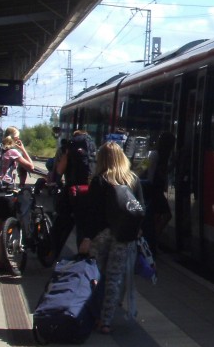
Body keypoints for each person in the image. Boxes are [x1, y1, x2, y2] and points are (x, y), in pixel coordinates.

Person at [77, 141, 145, 334]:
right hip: (123, 236)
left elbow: (91, 213)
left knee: (95, 277)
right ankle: (105, 321)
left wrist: (87, 237)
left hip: (102, 235)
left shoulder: (99, 180)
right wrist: (137, 230)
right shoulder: (133, 180)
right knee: (114, 278)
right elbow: (141, 208)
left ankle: (91, 314)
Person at [49, 128, 96, 263]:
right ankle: (83, 258)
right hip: (88, 191)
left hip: (72, 190)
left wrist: (57, 180)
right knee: (83, 226)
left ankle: (52, 253)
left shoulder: (70, 147)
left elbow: (60, 169)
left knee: (61, 223)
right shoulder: (92, 147)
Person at [141, 131, 174, 249]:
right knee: (165, 214)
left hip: (154, 189)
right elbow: (146, 171)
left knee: (157, 216)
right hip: (152, 189)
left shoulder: (156, 155)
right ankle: (153, 239)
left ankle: (152, 240)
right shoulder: (155, 155)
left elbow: (142, 167)